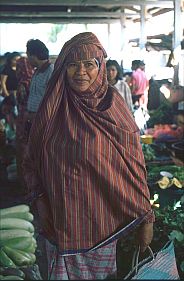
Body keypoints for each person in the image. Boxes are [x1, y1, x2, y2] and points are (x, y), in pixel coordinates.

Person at [23, 32, 154, 280]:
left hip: (101, 224)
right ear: (63, 68)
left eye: (88, 65)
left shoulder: (113, 104)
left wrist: (146, 217)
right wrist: (40, 200)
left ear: (100, 66)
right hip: (60, 221)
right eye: (72, 65)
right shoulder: (53, 106)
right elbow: (32, 157)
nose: (80, 72)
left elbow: (134, 164)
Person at [25, 39, 54, 134]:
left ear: (33, 56)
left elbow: (53, 99)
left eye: (27, 55)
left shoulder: (51, 72)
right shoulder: (36, 72)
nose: (27, 59)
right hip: (33, 120)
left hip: (44, 122)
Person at [15, 56, 34, 187]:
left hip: (24, 121)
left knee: (23, 150)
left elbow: (22, 103)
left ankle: (24, 182)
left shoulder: (23, 84)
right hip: (32, 120)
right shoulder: (34, 79)